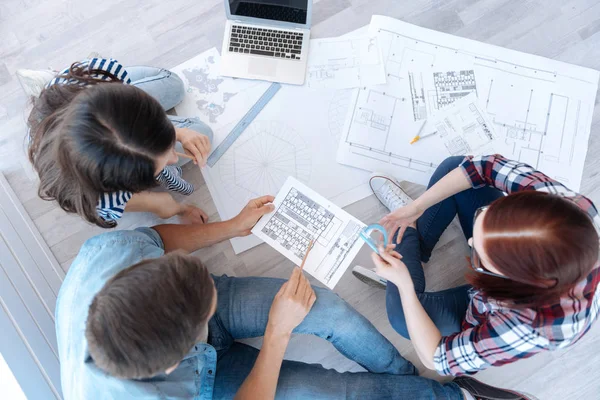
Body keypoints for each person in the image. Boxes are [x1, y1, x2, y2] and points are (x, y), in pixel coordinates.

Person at [56, 194, 531, 400]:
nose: (217, 304)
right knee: (336, 392)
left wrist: (233, 227)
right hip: (210, 389)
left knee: (328, 309)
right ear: (171, 365)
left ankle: (406, 377)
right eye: (209, 312)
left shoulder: (111, 255)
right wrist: (279, 332)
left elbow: (158, 240)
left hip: (168, 319)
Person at [353, 154, 600, 377]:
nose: (470, 241)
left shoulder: (535, 323)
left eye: (480, 257)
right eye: (487, 215)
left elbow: (437, 358)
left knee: (401, 315)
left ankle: (407, 241)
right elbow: (481, 167)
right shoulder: (567, 206)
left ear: (512, 279)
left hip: (485, 310)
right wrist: (416, 208)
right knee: (454, 167)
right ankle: (411, 230)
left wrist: (405, 287)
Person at [27, 57, 213, 228]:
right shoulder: (102, 201)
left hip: (90, 92)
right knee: (203, 133)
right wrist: (178, 209)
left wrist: (174, 134)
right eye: (163, 161)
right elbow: (160, 204)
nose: (174, 159)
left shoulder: (102, 75)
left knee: (174, 85)